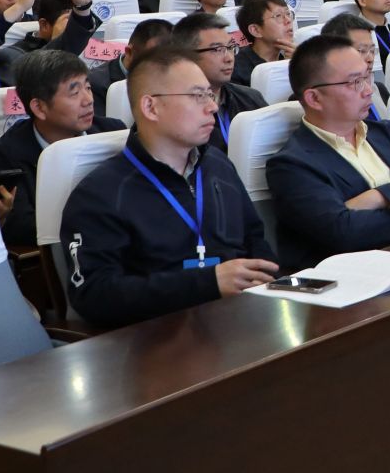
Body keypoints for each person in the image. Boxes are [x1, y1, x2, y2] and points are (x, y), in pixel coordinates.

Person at [60, 47, 278, 329]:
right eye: (197, 96)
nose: (212, 106)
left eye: (210, 95)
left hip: (240, 319)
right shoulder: (100, 194)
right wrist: (207, 283)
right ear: (151, 107)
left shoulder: (217, 165)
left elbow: (255, 241)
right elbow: (94, 295)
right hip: (156, 337)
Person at [266, 34, 390, 268]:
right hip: (351, 277)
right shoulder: (291, 164)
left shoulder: (384, 133)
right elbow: (344, 232)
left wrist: (378, 197)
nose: (368, 90)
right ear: (314, 98)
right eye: (355, 82)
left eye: (366, 77)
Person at [0, 49, 124, 248]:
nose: (88, 100)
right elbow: (22, 228)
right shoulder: (6, 156)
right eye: (74, 93)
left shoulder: (112, 131)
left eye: (88, 87)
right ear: (40, 108)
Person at [170, 13, 267, 153]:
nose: (229, 58)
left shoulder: (251, 98)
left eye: (230, 47)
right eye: (217, 49)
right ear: (186, 56)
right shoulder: (173, 114)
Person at [88, 17, 174, 114]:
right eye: (153, 60)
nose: (162, 68)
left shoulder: (177, 78)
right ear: (129, 52)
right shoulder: (96, 84)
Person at [232, 0, 296, 86]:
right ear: (256, 30)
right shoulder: (236, 71)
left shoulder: (293, 59)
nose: (288, 20)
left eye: (288, 14)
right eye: (278, 16)